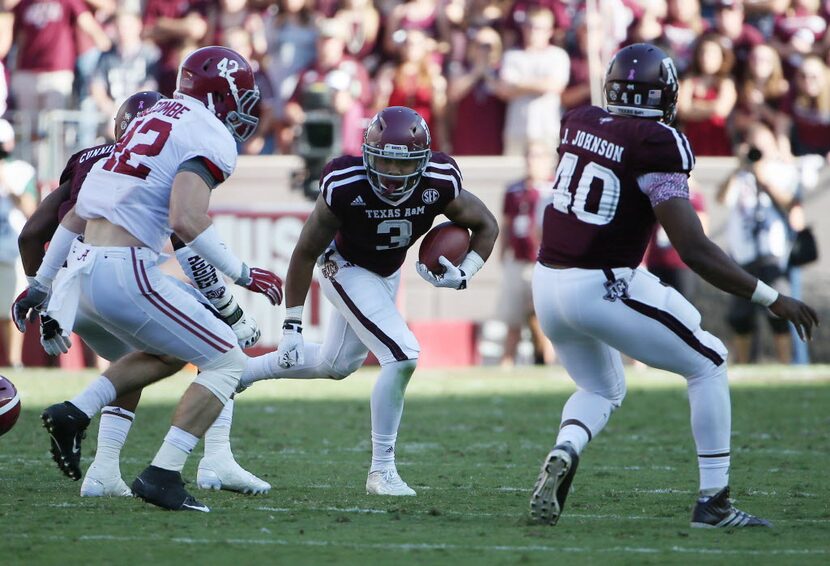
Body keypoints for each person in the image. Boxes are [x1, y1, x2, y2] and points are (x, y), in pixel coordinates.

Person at [529, 43, 818, 529]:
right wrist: (772, 297)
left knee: (601, 387)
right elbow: (694, 249)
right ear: (665, 94)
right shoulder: (658, 142)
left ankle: (566, 446)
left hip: (548, 284)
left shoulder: (579, 120)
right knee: (709, 362)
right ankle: (714, 504)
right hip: (603, 283)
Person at [14, 46, 283, 512]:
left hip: (84, 271)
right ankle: (163, 473)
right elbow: (185, 219)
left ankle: (75, 412)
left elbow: (77, 212)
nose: (244, 110)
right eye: (239, 97)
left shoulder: (148, 116)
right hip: (126, 269)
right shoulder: (208, 133)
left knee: (167, 352)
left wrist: (42, 283)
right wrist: (243, 273)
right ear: (221, 95)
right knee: (227, 359)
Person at [239, 106, 499, 496]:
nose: (393, 175)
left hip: (386, 272)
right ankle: (382, 471)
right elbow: (304, 252)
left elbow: (486, 226)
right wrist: (291, 325)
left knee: (337, 364)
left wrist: (465, 273)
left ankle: (239, 372)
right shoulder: (345, 183)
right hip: (343, 266)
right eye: (383, 161)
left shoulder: (440, 181)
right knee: (403, 353)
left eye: (402, 164)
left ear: (423, 161)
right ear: (366, 154)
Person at [717, 124, 800, 364]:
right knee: (740, 314)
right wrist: (739, 168)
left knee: (778, 310)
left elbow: (791, 203)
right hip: (742, 254)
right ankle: (744, 364)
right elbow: (722, 198)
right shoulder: (740, 175)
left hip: (771, 252)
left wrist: (763, 177)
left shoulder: (782, 170)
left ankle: (786, 364)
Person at [497, 140, 554, 366]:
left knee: (544, 319)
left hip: (544, 263)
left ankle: (548, 362)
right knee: (513, 318)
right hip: (518, 260)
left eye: (538, 156)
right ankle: (507, 362)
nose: (533, 161)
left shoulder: (555, 188)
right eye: (530, 156)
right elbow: (506, 224)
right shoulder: (514, 189)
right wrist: (503, 253)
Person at [0, 119, 36, 368]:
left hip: (11, 247)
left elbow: (30, 209)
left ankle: (14, 362)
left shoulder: (21, 170)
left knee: (10, 311)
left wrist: (8, 184)